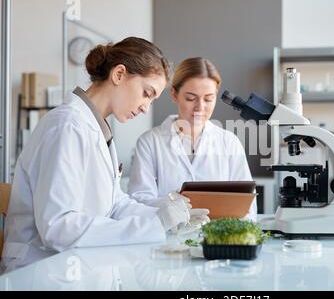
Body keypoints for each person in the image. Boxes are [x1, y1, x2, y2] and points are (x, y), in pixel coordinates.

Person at [1, 37, 199, 273]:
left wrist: (166, 213)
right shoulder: (68, 126)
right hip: (38, 271)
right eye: (147, 93)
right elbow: (58, 227)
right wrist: (156, 223)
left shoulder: (97, 129)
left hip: (73, 266)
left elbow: (114, 205)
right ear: (119, 75)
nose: (146, 107)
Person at [128, 57, 257, 221]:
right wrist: (173, 205)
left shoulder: (229, 142)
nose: (200, 107)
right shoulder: (150, 142)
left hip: (218, 240)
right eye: (191, 98)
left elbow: (248, 207)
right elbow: (138, 200)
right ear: (174, 94)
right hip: (168, 241)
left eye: (209, 99)